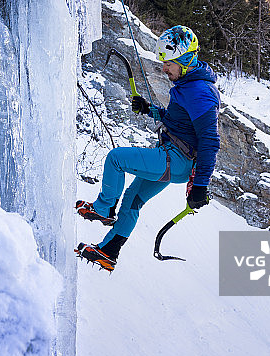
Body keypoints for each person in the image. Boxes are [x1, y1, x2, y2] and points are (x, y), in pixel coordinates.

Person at [75, 25, 221, 272]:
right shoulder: (188, 83)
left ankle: (103, 209)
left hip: (176, 160)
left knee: (116, 159)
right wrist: (149, 109)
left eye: (168, 64)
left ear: (185, 60)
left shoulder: (200, 92)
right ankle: (108, 252)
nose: (164, 68)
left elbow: (209, 140)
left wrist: (200, 186)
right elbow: (179, 121)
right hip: (173, 157)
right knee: (132, 200)